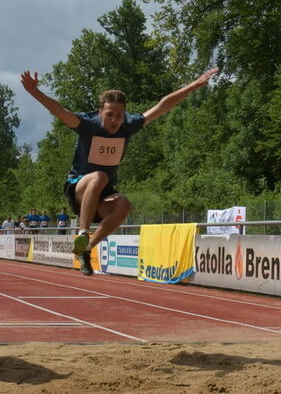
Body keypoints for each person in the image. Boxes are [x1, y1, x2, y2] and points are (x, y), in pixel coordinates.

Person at [21, 67, 219, 274]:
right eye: (109, 115)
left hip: (102, 191)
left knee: (123, 204)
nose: (114, 120)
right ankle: (83, 232)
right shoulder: (88, 125)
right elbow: (60, 111)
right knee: (99, 176)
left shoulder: (129, 125)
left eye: (119, 115)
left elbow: (163, 106)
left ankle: (86, 250)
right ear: (100, 113)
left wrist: (195, 85)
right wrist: (35, 92)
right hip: (78, 186)